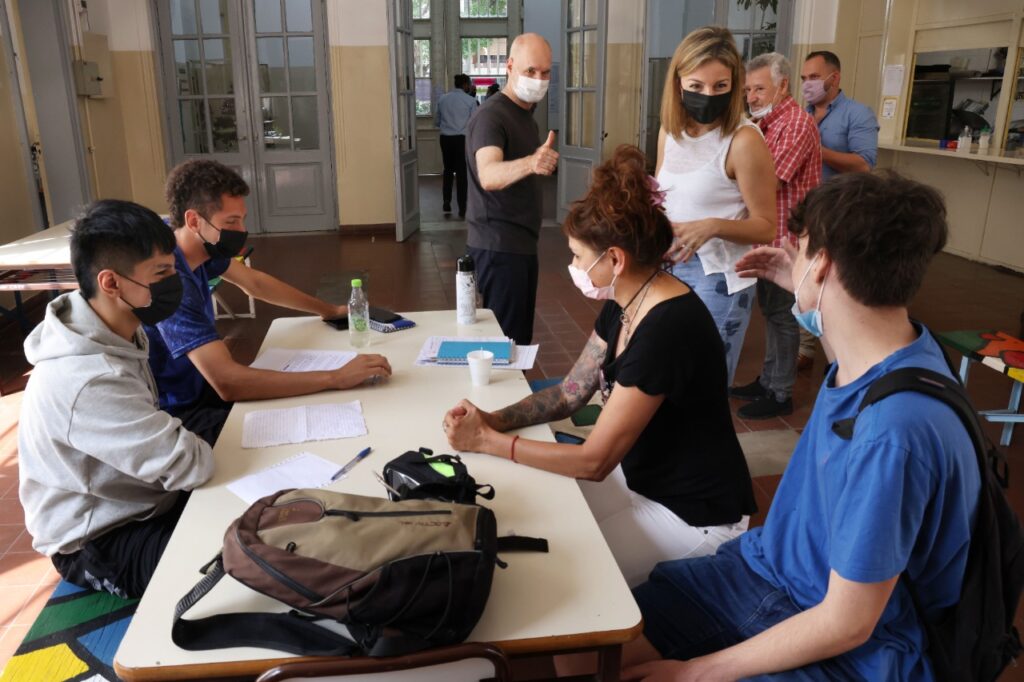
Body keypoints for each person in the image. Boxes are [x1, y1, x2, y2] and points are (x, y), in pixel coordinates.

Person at [622, 172, 979, 681]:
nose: (796, 256)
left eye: (803, 248)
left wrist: (694, 671)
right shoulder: (900, 351)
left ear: (826, 265)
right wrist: (804, 286)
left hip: (845, 636)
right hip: (773, 571)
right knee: (606, 635)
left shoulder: (893, 433)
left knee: (616, 654)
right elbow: (850, 340)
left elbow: (847, 624)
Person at [443, 145, 756, 589]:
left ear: (615, 259)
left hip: (694, 515)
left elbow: (594, 462)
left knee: (563, 578)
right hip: (642, 479)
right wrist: (491, 420)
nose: (572, 265)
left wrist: (489, 442)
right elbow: (570, 393)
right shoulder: (628, 299)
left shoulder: (667, 329)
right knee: (543, 517)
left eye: (577, 255)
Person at [18, 200, 215, 599]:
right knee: (225, 569)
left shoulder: (113, 324)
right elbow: (191, 466)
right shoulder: (88, 378)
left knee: (238, 434)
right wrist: (189, 450)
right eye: (161, 272)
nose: (174, 281)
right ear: (110, 283)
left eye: (172, 268)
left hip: (136, 493)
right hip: (101, 536)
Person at [147, 159, 392, 445]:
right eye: (231, 222)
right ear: (193, 221)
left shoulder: (189, 241)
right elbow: (228, 382)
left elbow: (255, 283)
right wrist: (335, 377)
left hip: (202, 385)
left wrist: (327, 310)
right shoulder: (168, 280)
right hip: (178, 413)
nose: (241, 230)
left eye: (242, 218)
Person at [656, 26, 777, 385]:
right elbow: (662, 198)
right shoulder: (670, 132)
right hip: (669, 267)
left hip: (717, 278)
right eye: (696, 85)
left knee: (702, 386)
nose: (708, 95)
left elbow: (766, 225)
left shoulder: (743, 140)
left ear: (734, 85)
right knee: (667, 377)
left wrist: (712, 226)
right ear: (678, 84)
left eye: (720, 86)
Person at [731, 52, 821, 419]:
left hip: (787, 241)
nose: (751, 97)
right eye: (747, 90)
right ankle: (768, 381)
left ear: (783, 86)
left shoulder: (795, 124)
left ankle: (781, 393)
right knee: (771, 312)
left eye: (759, 89)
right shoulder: (765, 124)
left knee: (783, 316)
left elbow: (771, 181)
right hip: (769, 236)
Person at [465, 32, 558, 345]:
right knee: (504, 344)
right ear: (509, 66)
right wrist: (532, 163)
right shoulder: (492, 116)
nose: (538, 79)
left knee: (517, 339)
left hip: (520, 245)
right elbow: (488, 174)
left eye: (545, 72)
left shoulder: (525, 115)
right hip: (499, 247)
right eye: (530, 70)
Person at [797, 50, 879, 371]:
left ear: (835, 77)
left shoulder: (857, 114)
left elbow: (863, 164)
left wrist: (817, 150)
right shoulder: (801, 115)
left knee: (839, 284)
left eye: (815, 77)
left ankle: (846, 358)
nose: (808, 84)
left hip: (841, 213)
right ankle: (805, 349)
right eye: (804, 78)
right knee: (805, 280)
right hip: (805, 211)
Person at [435, 73, 478, 218]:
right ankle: (462, 208)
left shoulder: (443, 99)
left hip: (445, 139)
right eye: (469, 84)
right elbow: (474, 123)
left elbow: (437, 121)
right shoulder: (470, 101)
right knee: (461, 173)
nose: (470, 86)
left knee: (447, 170)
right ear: (465, 84)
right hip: (462, 140)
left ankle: (446, 201)